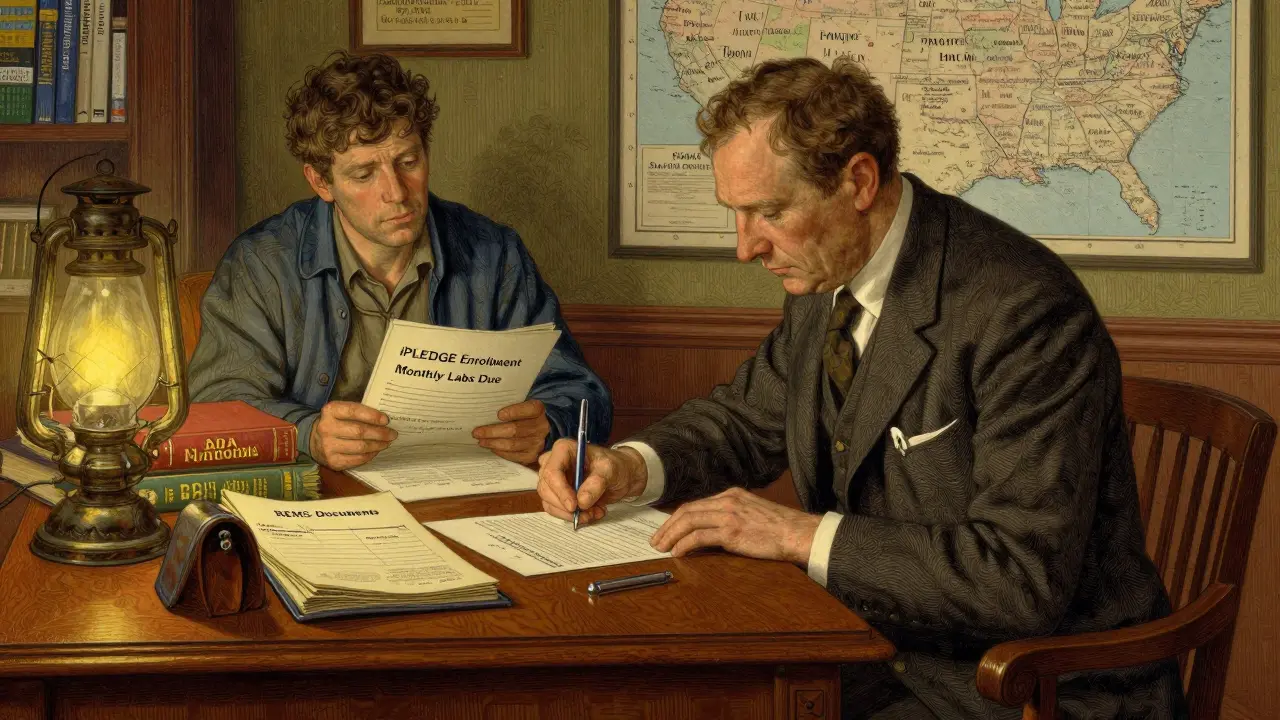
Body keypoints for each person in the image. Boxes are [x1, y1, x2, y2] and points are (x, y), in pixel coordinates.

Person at [536, 57, 1185, 719]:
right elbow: (744, 420)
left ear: (859, 182)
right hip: (876, 655)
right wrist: (626, 468)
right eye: (736, 214)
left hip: (1028, 690)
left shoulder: (1022, 311)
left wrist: (797, 536)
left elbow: (1017, 578)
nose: (744, 248)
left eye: (767, 212)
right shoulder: (828, 275)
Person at [188, 51, 611, 471]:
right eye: (364, 174)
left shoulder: (494, 253)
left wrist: (547, 426)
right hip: (320, 498)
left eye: (408, 162)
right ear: (321, 182)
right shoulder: (261, 263)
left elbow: (579, 391)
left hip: (460, 492)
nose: (396, 192)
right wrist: (309, 435)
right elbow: (217, 404)